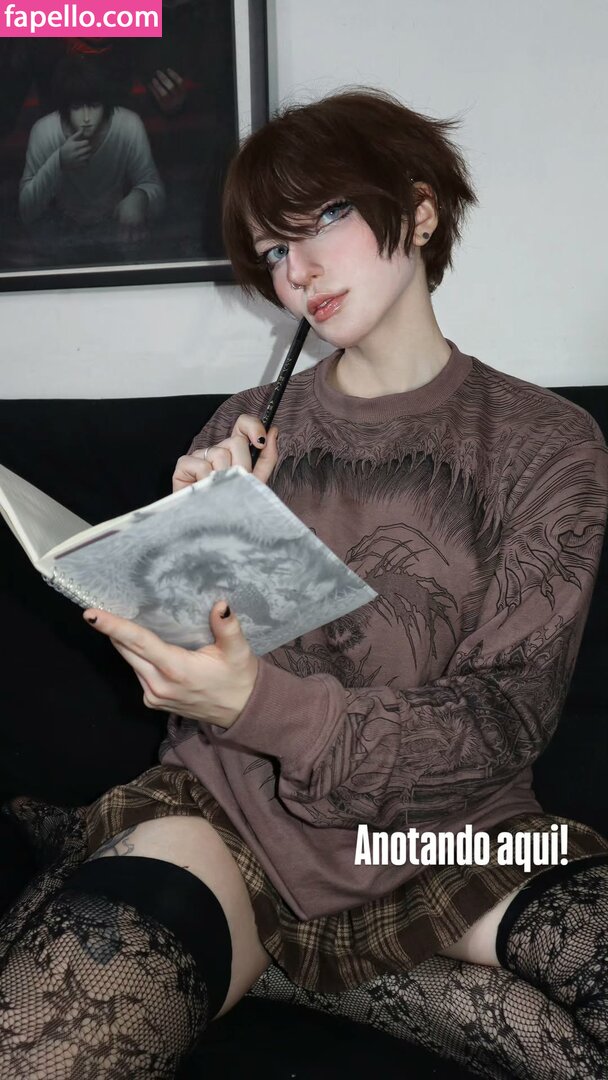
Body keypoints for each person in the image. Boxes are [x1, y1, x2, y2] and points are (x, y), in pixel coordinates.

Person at [1, 87, 607, 1080]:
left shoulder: (549, 444)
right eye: (273, 250)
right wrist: (190, 545)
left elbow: (502, 721)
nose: (298, 270)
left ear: (418, 211)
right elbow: (196, 681)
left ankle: (290, 968)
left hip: (463, 839)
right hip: (232, 818)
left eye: (324, 217)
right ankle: (281, 954)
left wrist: (259, 701)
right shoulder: (242, 432)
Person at [19, 54, 165, 246]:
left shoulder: (128, 125)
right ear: (65, 108)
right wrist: (58, 162)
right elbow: (26, 210)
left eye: (94, 106)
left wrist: (140, 197)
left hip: (115, 228)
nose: (87, 117)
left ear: (105, 104)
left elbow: (154, 188)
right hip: (63, 231)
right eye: (77, 107)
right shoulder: (45, 131)